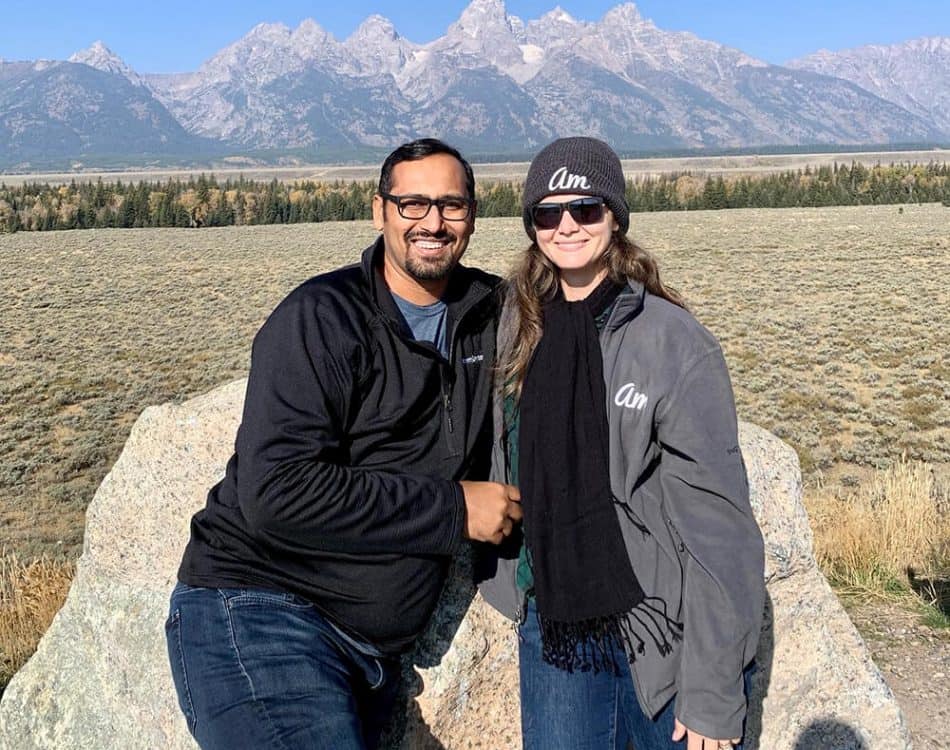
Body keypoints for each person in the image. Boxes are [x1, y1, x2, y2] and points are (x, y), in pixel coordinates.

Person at [165, 138, 522, 750]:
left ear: (472, 216)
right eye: (411, 203)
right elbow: (277, 492)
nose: (432, 222)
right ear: (378, 210)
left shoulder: (493, 312)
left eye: (451, 205)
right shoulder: (323, 318)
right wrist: (455, 509)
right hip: (264, 612)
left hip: (369, 651)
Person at [478, 137, 765, 750]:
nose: (566, 226)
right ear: (531, 225)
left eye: (585, 208)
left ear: (615, 216)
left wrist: (714, 691)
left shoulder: (671, 342)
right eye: (547, 213)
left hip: (662, 628)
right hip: (551, 622)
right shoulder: (511, 325)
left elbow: (720, 528)